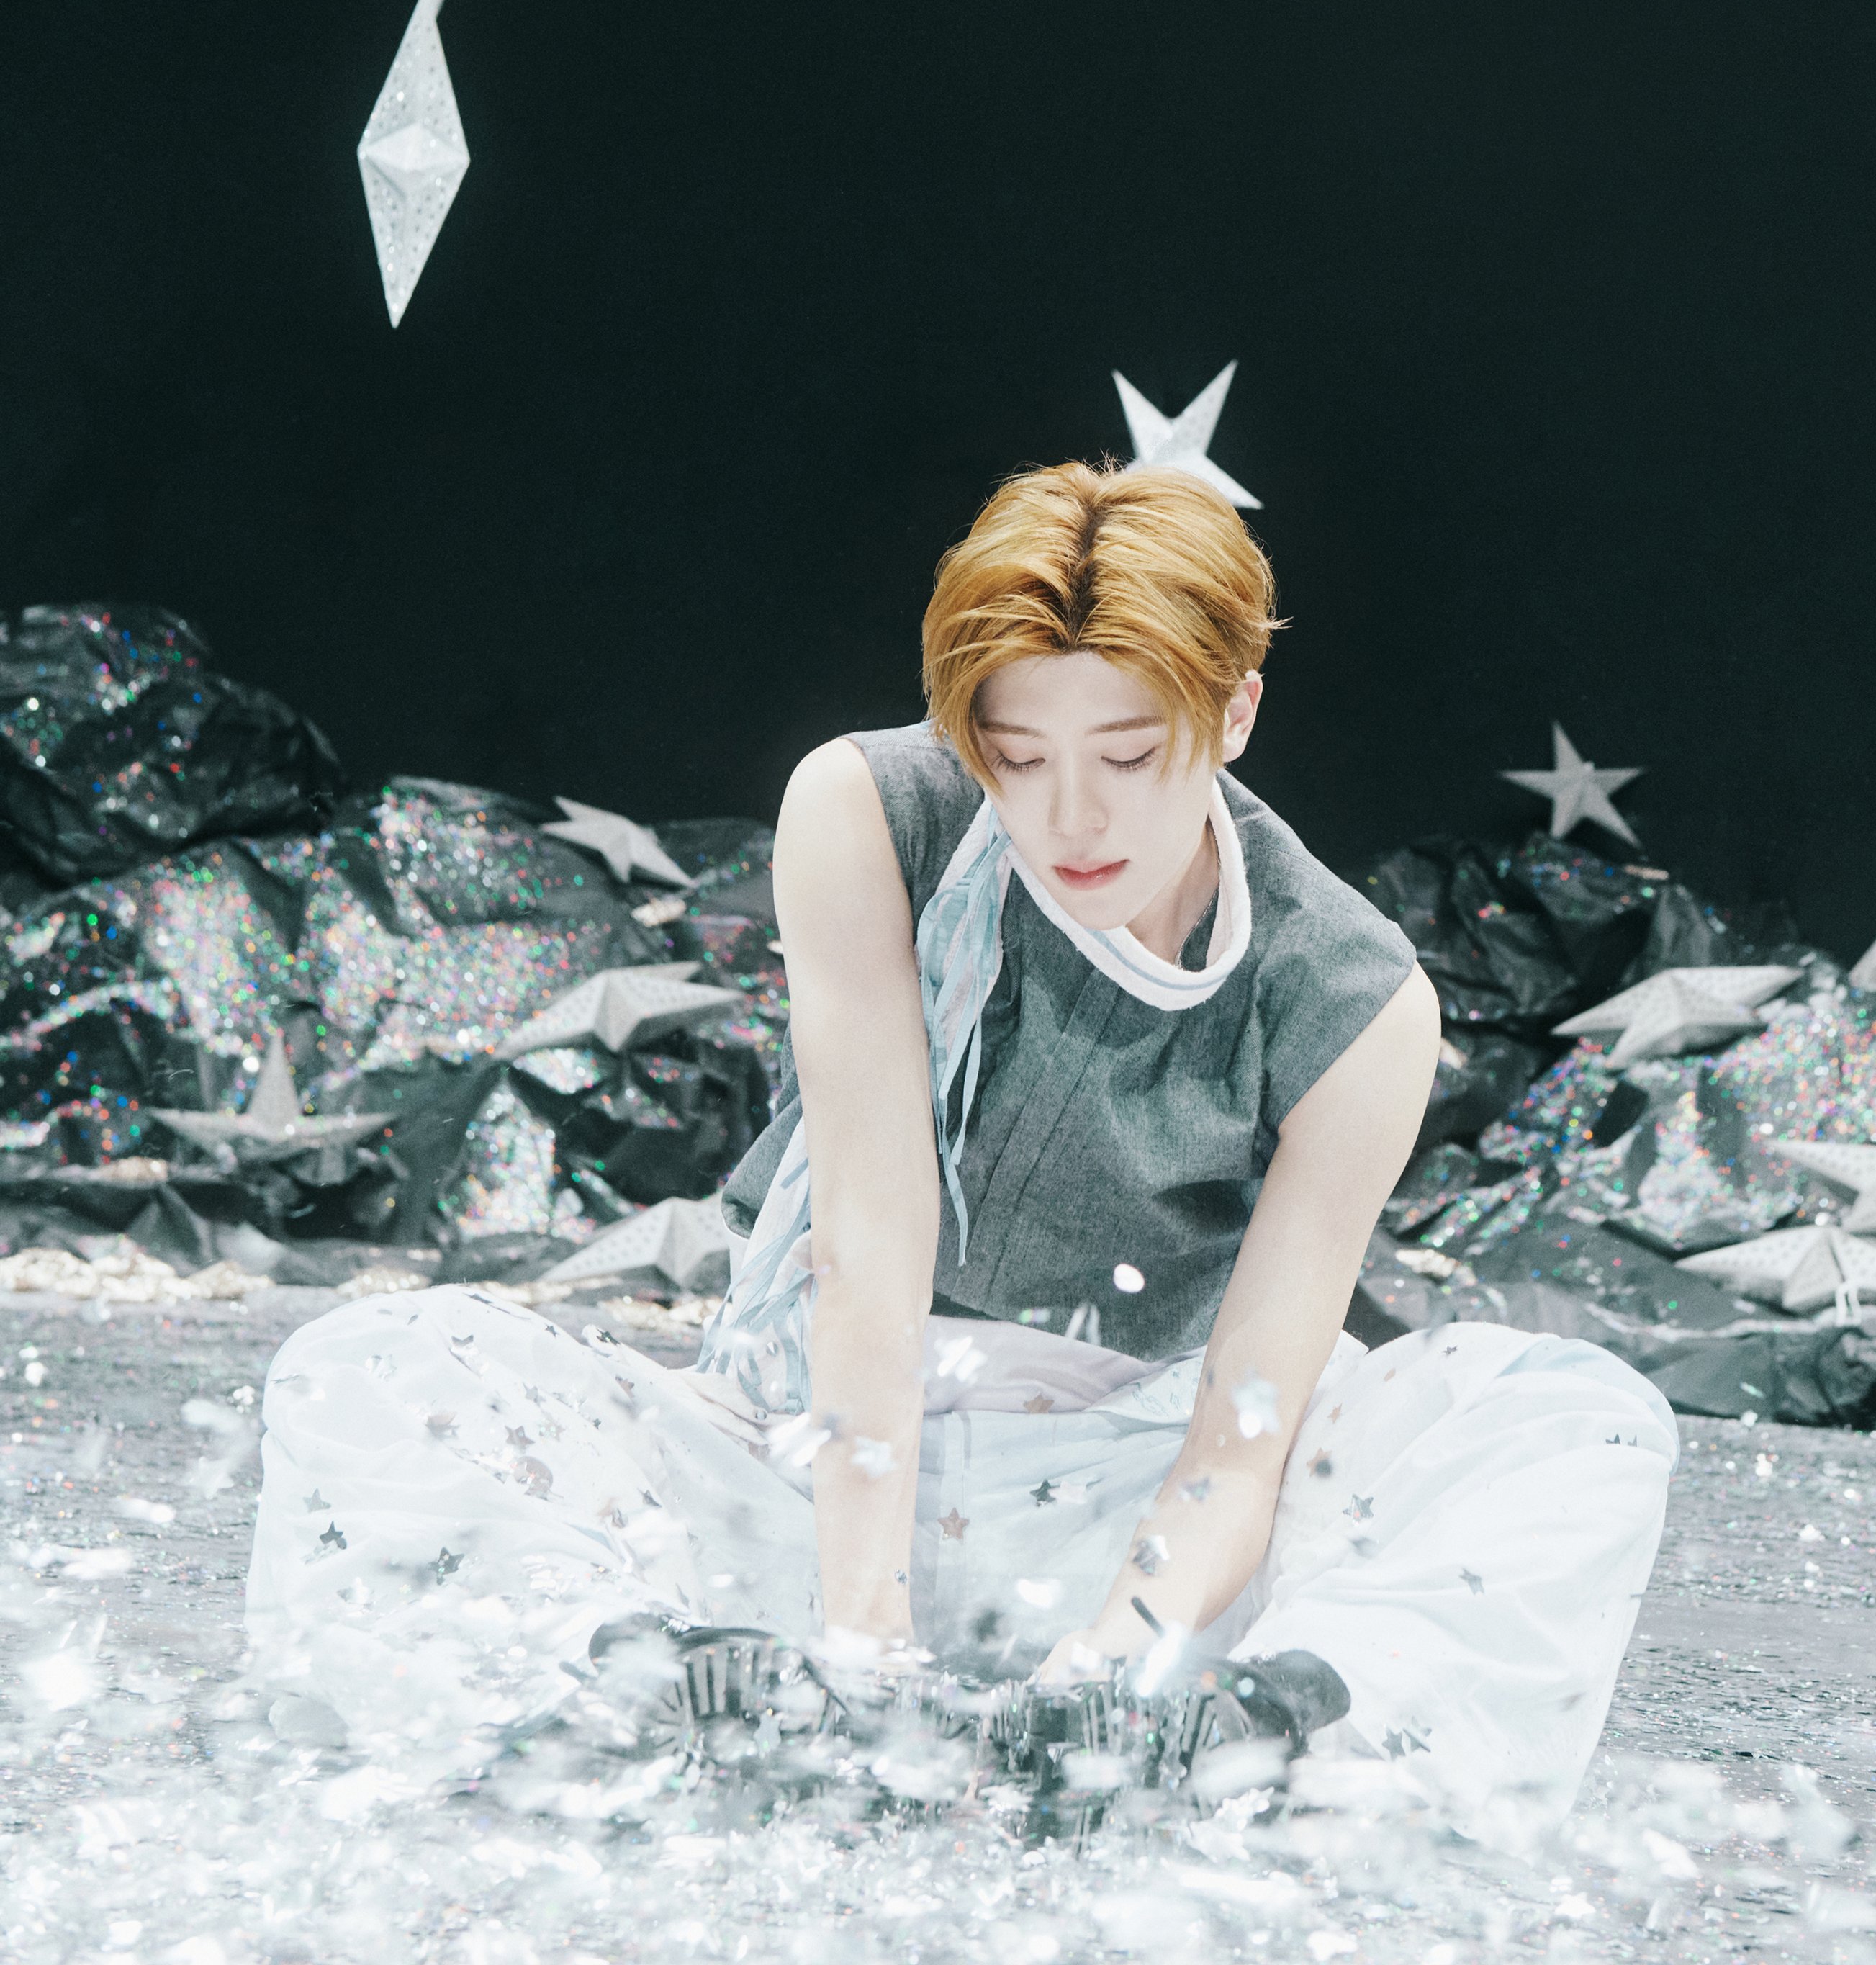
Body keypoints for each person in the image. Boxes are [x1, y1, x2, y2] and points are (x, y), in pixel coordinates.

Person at [245, 464, 1675, 1815]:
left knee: (1575, 1419)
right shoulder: (872, 811)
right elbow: (870, 1251)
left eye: (1130, 753)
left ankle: (1221, 1747)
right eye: (1016, 752)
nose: (1072, 815)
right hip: (807, 1474)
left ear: (1235, 711)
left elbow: (1240, 1440)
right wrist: (858, 1655)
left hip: (1131, 1508)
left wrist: (1108, 1682)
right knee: (372, 1361)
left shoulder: (1353, 999)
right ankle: (665, 1684)